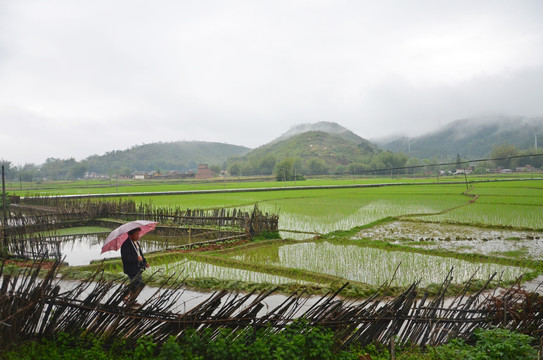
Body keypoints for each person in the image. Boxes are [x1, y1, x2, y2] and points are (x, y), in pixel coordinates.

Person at [120, 227, 149, 306]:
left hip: (138, 267)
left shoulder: (136, 243)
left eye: (138, 233)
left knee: (136, 284)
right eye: (136, 234)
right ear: (130, 234)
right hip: (131, 268)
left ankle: (130, 299)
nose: (138, 235)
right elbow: (126, 258)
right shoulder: (126, 245)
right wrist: (136, 258)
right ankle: (127, 297)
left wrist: (145, 262)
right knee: (137, 284)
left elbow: (140, 255)